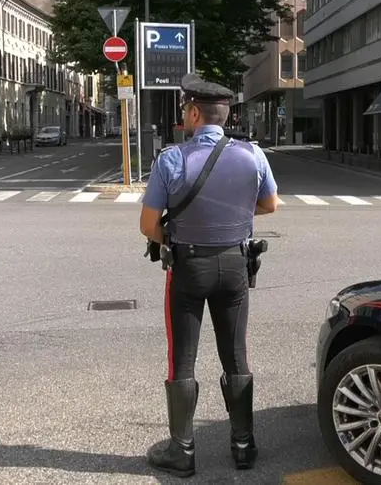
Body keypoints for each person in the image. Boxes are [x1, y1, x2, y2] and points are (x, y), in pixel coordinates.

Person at [139, 73, 280, 478]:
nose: (184, 115)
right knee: (236, 353)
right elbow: (271, 204)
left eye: (186, 109)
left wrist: (175, 233)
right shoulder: (253, 155)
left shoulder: (171, 159)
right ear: (227, 114)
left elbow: (149, 225)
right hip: (235, 266)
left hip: (188, 267)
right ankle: (243, 445)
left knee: (182, 358)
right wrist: (233, 216)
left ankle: (182, 451)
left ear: (195, 112)